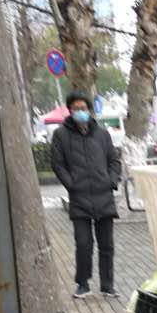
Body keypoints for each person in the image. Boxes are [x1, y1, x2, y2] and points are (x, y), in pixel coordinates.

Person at [50, 91, 121, 300]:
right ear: (70, 111)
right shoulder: (61, 135)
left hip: (104, 196)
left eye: (83, 108)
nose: (80, 112)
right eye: (75, 109)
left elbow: (114, 161)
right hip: (79, 198)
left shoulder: (102, 134)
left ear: (89, 110)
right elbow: (57, 164)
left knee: (106, 245)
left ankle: (107, 285)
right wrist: (71, 184)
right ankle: (83, 283)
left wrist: (112, 181)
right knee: (83, 244)